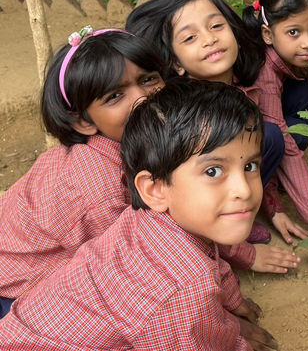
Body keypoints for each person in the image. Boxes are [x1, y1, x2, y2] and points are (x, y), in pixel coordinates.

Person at [0, 79, 278, 351]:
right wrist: (234, 340)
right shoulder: (182, 290)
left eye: (250, 166)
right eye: (213, 171)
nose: (244, 189)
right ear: (154, 189)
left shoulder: (154, 220)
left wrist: (232, 301)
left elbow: (212, 255)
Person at [126, 0, 301, 270]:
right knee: (267, 137)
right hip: (191, 209)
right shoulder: (180, 120)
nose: (209, 39)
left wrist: (273, 207)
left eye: (216, 26)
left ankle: (236, 212)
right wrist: (245, 254)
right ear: (176, 63)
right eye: (190, 37)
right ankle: (225, 233)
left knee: (275, 130)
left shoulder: (244, 85)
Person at [0, 27, 165, 318]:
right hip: (15, 291)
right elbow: (129, 267)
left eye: (148, 79)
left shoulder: (127, 144)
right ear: (83, 122)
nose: (143, 98)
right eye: (115, 96)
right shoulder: (101, 192)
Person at [241, 0, 308, 247]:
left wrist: (300, 70)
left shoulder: (277, 56)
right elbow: (285, 144)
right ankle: (251, 199)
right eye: (294, 32)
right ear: (267, 35)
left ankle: (274, 174)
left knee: (306, 91)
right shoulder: (263, 74)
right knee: (276, 138)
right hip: (237, 145)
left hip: (262, 127)